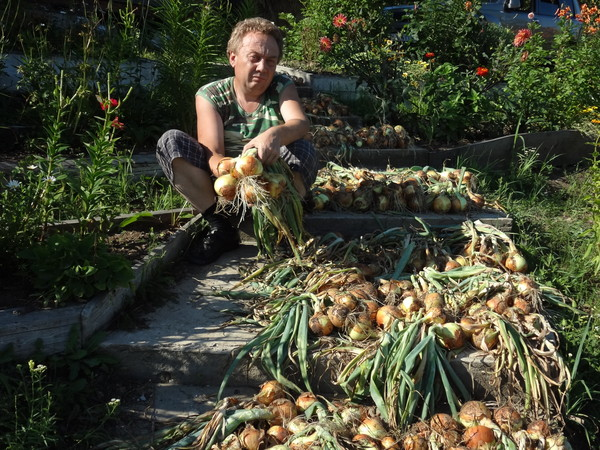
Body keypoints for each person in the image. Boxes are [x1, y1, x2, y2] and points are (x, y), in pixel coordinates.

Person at [156, 17, 319, 265]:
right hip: (227, 186)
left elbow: (300, 123)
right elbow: (213, 154)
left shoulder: (281, 87)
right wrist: (241, 169)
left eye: (271, 61)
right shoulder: (211, 94)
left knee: (303, 149)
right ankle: (221, 226)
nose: (263, 67)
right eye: (255, 58)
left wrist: (273, 135)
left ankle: (283, 223)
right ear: (233, 58)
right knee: (170, 142)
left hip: (273, 184)